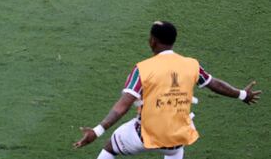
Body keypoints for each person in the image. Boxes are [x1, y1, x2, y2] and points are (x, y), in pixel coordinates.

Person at [73, 21, 261, 158]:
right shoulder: (191, 64)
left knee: (110, 147)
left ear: (153, 41)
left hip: (143, 136)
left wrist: (96, 131)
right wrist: (242, 94)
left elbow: (123, 106)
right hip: (175, 141)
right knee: (176, 145)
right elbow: (214, 84)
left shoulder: (143, 68)